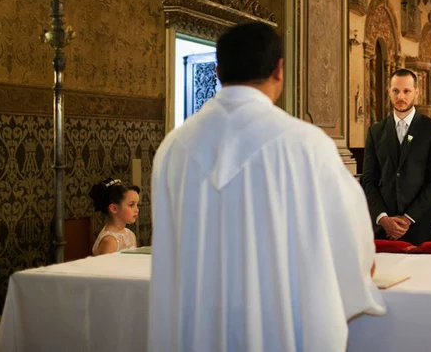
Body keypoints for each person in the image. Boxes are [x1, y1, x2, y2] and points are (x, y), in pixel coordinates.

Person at [149, 23, 385, 352]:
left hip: (198, 328)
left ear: (218, 71)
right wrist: (361, 269)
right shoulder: (306, 143)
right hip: (282, 328)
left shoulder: (173, 148)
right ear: (279, 69)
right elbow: (350, 235)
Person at [361, 69, 431, 245]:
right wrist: (383, 218)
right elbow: (369, 180)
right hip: (382, 229)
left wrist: (408, 218)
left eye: (406, 91)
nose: (400, 96)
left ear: (417, 92)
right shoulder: (375, 131)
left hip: (418, 227)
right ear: (389, 91)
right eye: (395, 91)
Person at [88, 178, 139, 255]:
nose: (137, 210)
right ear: (114, 208)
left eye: (137, 205)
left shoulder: (130, 234)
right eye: (131, 205)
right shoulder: (109, 241)